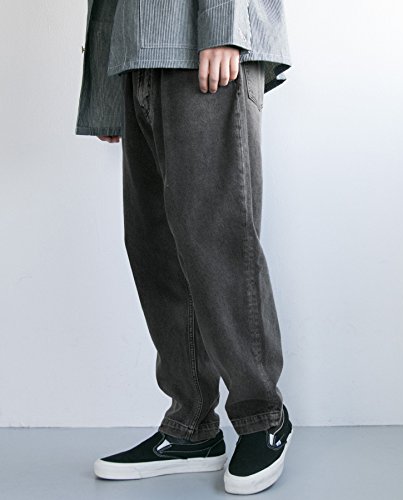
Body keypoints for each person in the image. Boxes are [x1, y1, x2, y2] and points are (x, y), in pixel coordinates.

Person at [75, 0, 293, 495]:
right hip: (137, 53)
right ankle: (191, 428)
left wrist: (223, 25)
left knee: (216, 240)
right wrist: (106, 94)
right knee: (154, 247)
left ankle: (263, 417)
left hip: (202, 42)